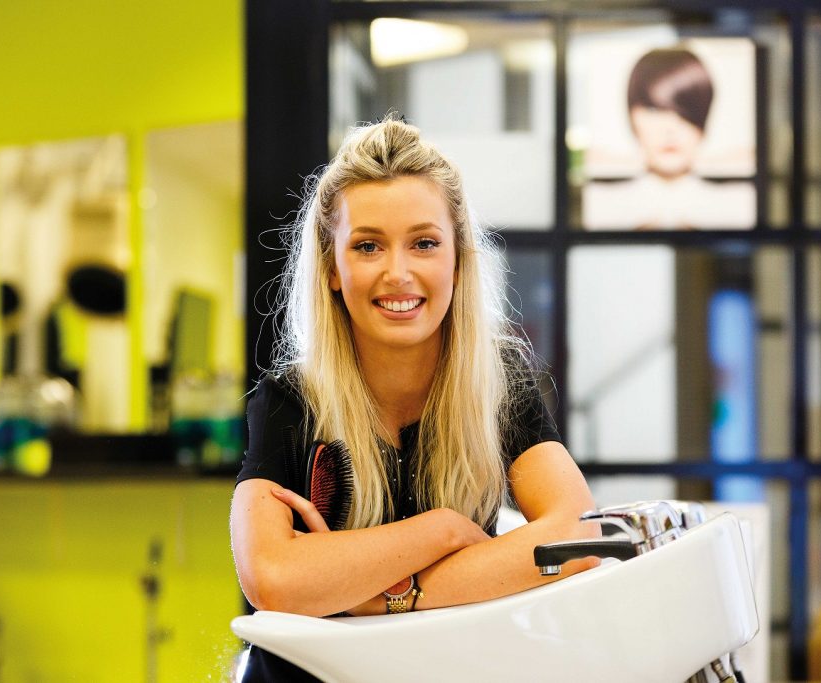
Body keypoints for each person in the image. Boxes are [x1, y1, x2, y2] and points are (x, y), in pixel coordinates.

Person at [231, 116, 600, 680]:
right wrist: (443, 531)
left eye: (424, 243)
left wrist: (378, 594)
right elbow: (271, 578)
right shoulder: (290, 399)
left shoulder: (500, 381)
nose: (397, 274)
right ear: (332, 267)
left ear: (458, 257)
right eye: (368, 246)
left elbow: (577, 533)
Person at [583, 47, 756, 230]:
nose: (670, 129)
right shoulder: (603, 206)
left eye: (685, 111)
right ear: (632, 115)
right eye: (654, 110)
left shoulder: (737, 205)